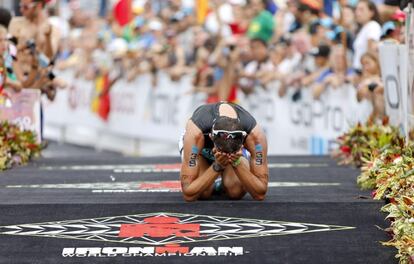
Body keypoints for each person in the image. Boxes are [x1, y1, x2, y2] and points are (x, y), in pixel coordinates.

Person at [179, 102, 269, 202]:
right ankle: (213, 182)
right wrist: (217, 166)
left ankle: (220, 185)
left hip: (234, 153)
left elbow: (260, 194)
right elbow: (188, 194)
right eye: (223, 152)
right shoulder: (196, 134)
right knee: (204, 193)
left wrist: (236, 162)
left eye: (231, 153)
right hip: (201, 151)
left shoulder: (255, 137)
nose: (226, 156)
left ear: (243, 140)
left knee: (235, 191)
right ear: (211, 136)